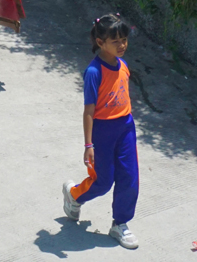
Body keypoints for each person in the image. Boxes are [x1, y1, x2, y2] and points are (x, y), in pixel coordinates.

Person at [62, 14, 140, 250]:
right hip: (102, 131)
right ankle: (74, 195)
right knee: (104, 181)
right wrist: (89, 145)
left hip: (125, 127)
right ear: (100, 41)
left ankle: (120, 223)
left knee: (129, 177)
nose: (122, 45)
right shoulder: (94, 72)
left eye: (124, 39)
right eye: (116, 41)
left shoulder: (123, 65)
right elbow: (88, 111)